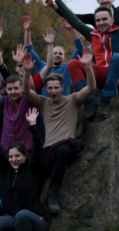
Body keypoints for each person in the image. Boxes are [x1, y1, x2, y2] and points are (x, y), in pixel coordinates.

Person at [22, 47, 95, 214]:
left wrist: (88, 66)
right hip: (47, 150)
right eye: (50, 88)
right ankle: (32, 210)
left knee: (62, 151)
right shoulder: (43, 102)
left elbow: (91, 87)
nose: (53, 91)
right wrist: (27, 73)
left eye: (56, 87)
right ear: (46, 89)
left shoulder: (73, 100)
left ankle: (53, 193)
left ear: (62, 87)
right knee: (35, 175)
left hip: (65, 146)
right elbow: (26, 91)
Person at [0, 49, 34, 151]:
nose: (13, 91)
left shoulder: (27, 99)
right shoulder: (4, 101)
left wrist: (21, 64)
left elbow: (31, 87)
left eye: (16, 88)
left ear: (22, 88)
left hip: (26, 147)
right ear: (6, 90)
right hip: (7, 147)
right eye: (10, 89)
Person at [22, 17, 84, 96]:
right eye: (55, 53)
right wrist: (27, 31)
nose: (57, 55)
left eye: (60, 53)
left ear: (64, 57)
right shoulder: (42, 66)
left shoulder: (68, 67)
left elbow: (80, 49)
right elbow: (28, 50)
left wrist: (71, 29)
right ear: (49, 55)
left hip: (63, 106)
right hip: (45, 106)